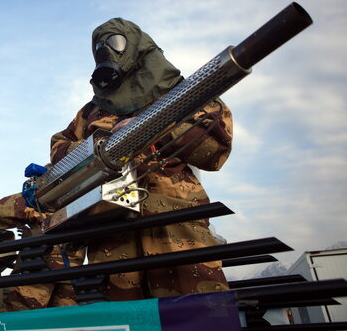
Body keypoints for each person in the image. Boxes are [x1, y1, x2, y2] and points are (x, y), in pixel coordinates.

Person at [50, 18, 233, 300]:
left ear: (138, 46)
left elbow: (214, 152)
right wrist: (97, 146)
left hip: (177, 226)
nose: (107, 52)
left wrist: (152, 127)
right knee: (124, 319)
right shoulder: (91, 113)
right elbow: (58, 147)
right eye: (99, 47)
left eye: (116, 43)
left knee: (196, 313)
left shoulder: (183, 93)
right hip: (111, 233)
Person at [0, 192, 85, 311]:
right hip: (71, 272)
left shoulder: (46, 192)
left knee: (18, 320)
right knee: (65, 321)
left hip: (40, 267)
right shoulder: (86, 189)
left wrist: (31, 235)